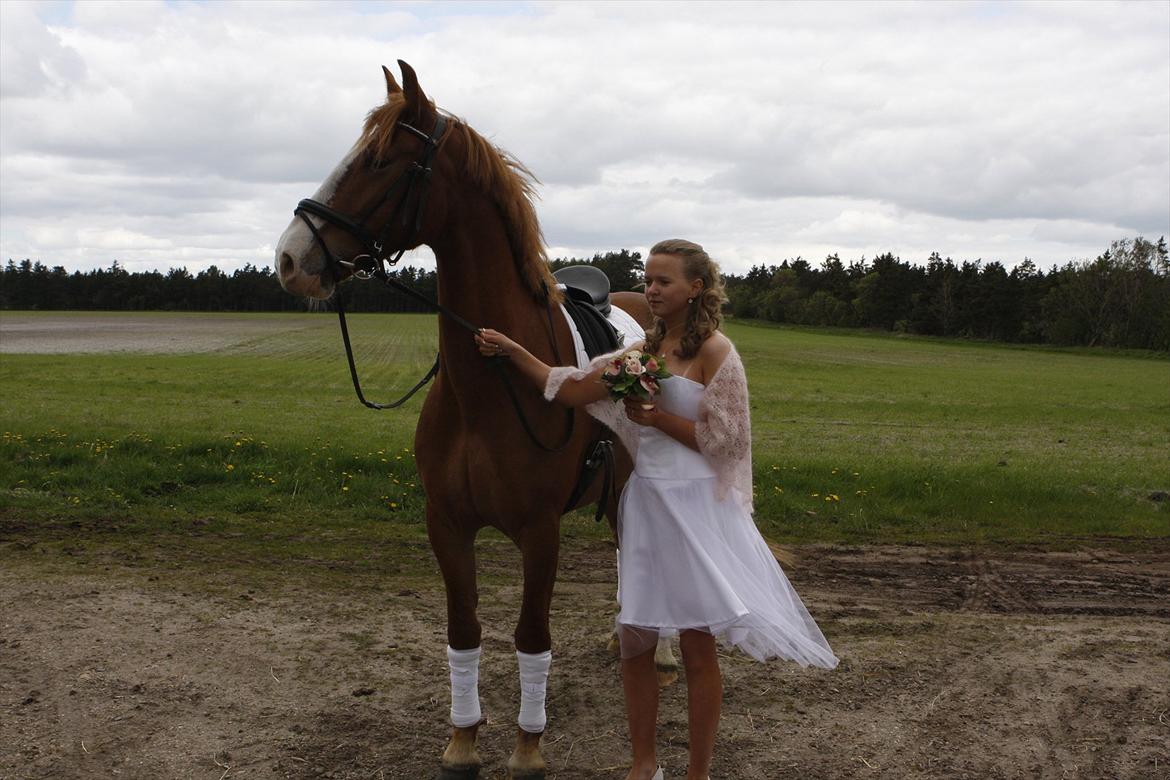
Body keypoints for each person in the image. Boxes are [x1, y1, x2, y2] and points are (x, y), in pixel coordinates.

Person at [475, 239, 837, 780]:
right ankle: (643, 765)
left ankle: (698, 773)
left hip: (695, 509)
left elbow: (729, 441)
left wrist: (657, 420)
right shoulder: (640, 355)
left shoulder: (715, 352)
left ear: (695, 288)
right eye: (647, 280)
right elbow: (572, 388)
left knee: (695, 646)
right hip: (646, 504)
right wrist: (512, 350)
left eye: (663, 281)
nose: (651, 290)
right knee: (635, 640)